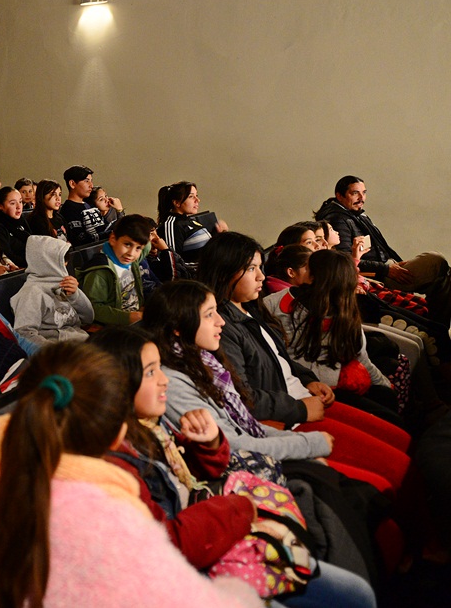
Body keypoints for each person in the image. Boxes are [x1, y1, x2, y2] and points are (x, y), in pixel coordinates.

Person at [0, 342, 261, 608]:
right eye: (150, 372)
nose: (163, 380)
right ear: (117, 428)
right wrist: (242, 508)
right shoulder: (105, 514)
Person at [92, 326, 379, 608]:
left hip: (215, 521)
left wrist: (208, 443)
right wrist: (239, 507)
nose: (220, 322)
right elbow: (169, 541)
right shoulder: (120, 462)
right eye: (151, 372)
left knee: (352, 578)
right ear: (118, 382)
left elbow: (212, 463)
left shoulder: (154, 424)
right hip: (200, 561)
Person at [200, 232, 412, 496]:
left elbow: (281, 358)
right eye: (251, 269)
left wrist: (308, 378)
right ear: (224, 273)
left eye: (260, 268)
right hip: (290, 416)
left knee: (401, 441)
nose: (261, 277)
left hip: (303, 396)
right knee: (395, 473)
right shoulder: (221, 325)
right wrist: (299, 408)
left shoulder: (249, 308)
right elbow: (243, 398)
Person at [143, 279, 332, 464]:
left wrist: (298, 442)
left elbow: (245, 424)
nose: (221, 322)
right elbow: (233, 443)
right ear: (178, 327)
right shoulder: (173, 381)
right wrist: (308, 443)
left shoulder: (203, 361)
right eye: (209, 314)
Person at [262, 250, 402, 419]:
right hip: (304, 389)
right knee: (389, 411)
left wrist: (386, 385)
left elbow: (361, 357)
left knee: (386, 395)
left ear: (313, 276)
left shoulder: (344, 311)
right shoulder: (275, 306)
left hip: (329, 386)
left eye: (308, 267)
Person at [315, 175, 451, 325]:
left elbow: (381, 246)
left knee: (442, 277)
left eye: (364, 192)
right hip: (378, 276)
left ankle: (435, 330)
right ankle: (437, 330)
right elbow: (345, 260)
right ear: (339, 196)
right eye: (355, 193)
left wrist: (397, 262)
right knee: (437, 263)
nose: (362, 198)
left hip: (386, 268)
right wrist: (386, 269)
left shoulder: (356, 213)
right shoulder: (338, 219)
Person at [11, 235, 94, 346]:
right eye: (62, 261)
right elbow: (24, 333)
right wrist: (54, 353)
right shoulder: (32, 293)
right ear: (48, 262)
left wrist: (75, 295)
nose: (65, 265)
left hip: (83, 343)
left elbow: (88, 319)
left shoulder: (66, 284)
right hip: (60, 353)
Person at [79, 214, 154, 325]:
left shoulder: (131, 260)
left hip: (136, 318)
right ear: (113, 239)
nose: (131, 253)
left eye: (138, 248)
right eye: (127, 244)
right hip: (115, 326)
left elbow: (146, 246)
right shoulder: (100, 270)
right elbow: (94, 308)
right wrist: (127, 318)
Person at [157, 180, 228, 264]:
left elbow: (202, 250)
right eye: (191, 197)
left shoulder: (190, 221)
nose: (197, 200)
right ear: (177, 203)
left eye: (196, 196)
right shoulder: (172, 224)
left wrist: (217, 234)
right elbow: (174, 262)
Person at [60, 165, 116, 246]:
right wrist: (111, 233)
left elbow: (104, 227)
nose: (91, 185)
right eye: (86, 181)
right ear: (72, 184)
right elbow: (81, 239)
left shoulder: (89, 205)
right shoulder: (68, 209)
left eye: (91, 181)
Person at [0, 186, 31, 268]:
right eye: (13, 203)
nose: (18, 207)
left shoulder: (21, 219)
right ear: (0, 206)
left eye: (20, 202)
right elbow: (8, 255)